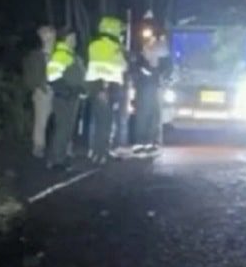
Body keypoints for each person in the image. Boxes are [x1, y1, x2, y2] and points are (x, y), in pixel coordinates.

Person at [86, 16, 128, 163]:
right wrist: (121, 50)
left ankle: (94, 151)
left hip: (94, 88)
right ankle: (102, 153)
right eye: (119, 30)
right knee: (106, 123)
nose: (121, 33)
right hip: (107, 88)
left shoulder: (93, 45)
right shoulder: (113, 47)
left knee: (97, 121)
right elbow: (123, 66)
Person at [46, 28, 85, 171]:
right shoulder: (61, 54)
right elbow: (52, 77)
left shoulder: (71, 55)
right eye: (72, 37)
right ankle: (57, 159)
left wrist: (80, 89)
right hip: (64, 99)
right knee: (62, 128)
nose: (74, 40)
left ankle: (61, 156)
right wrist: (67, 90)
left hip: (72, 98)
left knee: (67, 128)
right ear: (65, 39)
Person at [131, 35, 169, 153]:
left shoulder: (157, 59)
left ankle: (150, 142)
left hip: (154, 89)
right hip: (144, 90)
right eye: (150, 44)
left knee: (154, 115)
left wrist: (162, 42)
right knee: (143, 115)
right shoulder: (141, 60)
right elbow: (138, 72)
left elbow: (165, 55)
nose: (153, 47)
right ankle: (140, 142)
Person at [23, 25, 56, 159]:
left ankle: (60, 146)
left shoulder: (58, 55)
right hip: (42, 92)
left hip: (58, 92)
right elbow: (29, 74)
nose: (49, 38)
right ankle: (38, 146)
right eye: (46, 35)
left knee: (60, 120)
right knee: (41, 120)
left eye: (51, 35)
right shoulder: (35, 56)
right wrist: (37, 87)